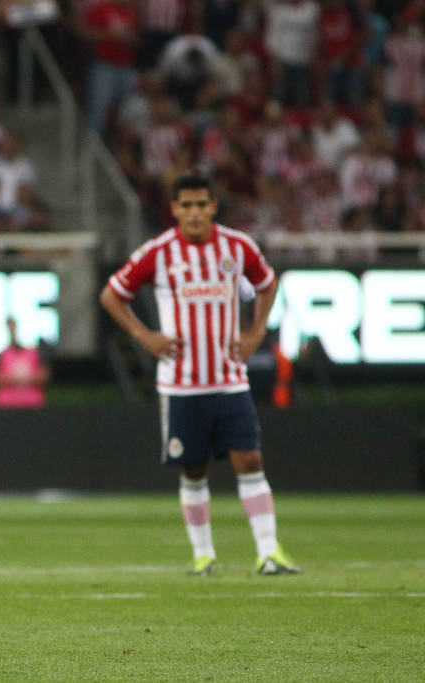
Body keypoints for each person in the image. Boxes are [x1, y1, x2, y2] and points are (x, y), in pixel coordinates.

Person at [99, 169, 301, 577]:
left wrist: (255, 331)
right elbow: (112, 295)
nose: (194, 213)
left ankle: (268, 552)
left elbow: (267, 282)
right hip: (181, 385)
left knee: (250, 458)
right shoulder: (158, 252)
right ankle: (204, 556)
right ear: (175, 209)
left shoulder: (237, 246)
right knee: (194, 468)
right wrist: (146, 337)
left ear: (212, 206)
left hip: (230, 380)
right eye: (185, 205)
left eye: (201, 204)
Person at [0, 317, 50, 409]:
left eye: (13, 327)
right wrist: (14, 379)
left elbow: (44, 375)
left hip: (32, 403)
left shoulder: (34, 353)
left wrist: (25, 378)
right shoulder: (2, 354)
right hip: (6, 405)